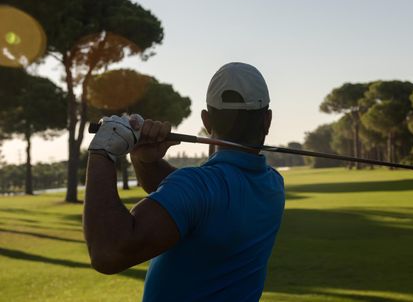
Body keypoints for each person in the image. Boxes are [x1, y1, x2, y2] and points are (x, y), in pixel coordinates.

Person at [84, 62, 285, 301]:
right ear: (267, 120)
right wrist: (145, 161)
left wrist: (102, 151)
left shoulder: (198, 188)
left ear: (207, 121)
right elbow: (184, 201)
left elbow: (108, 252)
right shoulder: (273, 184)